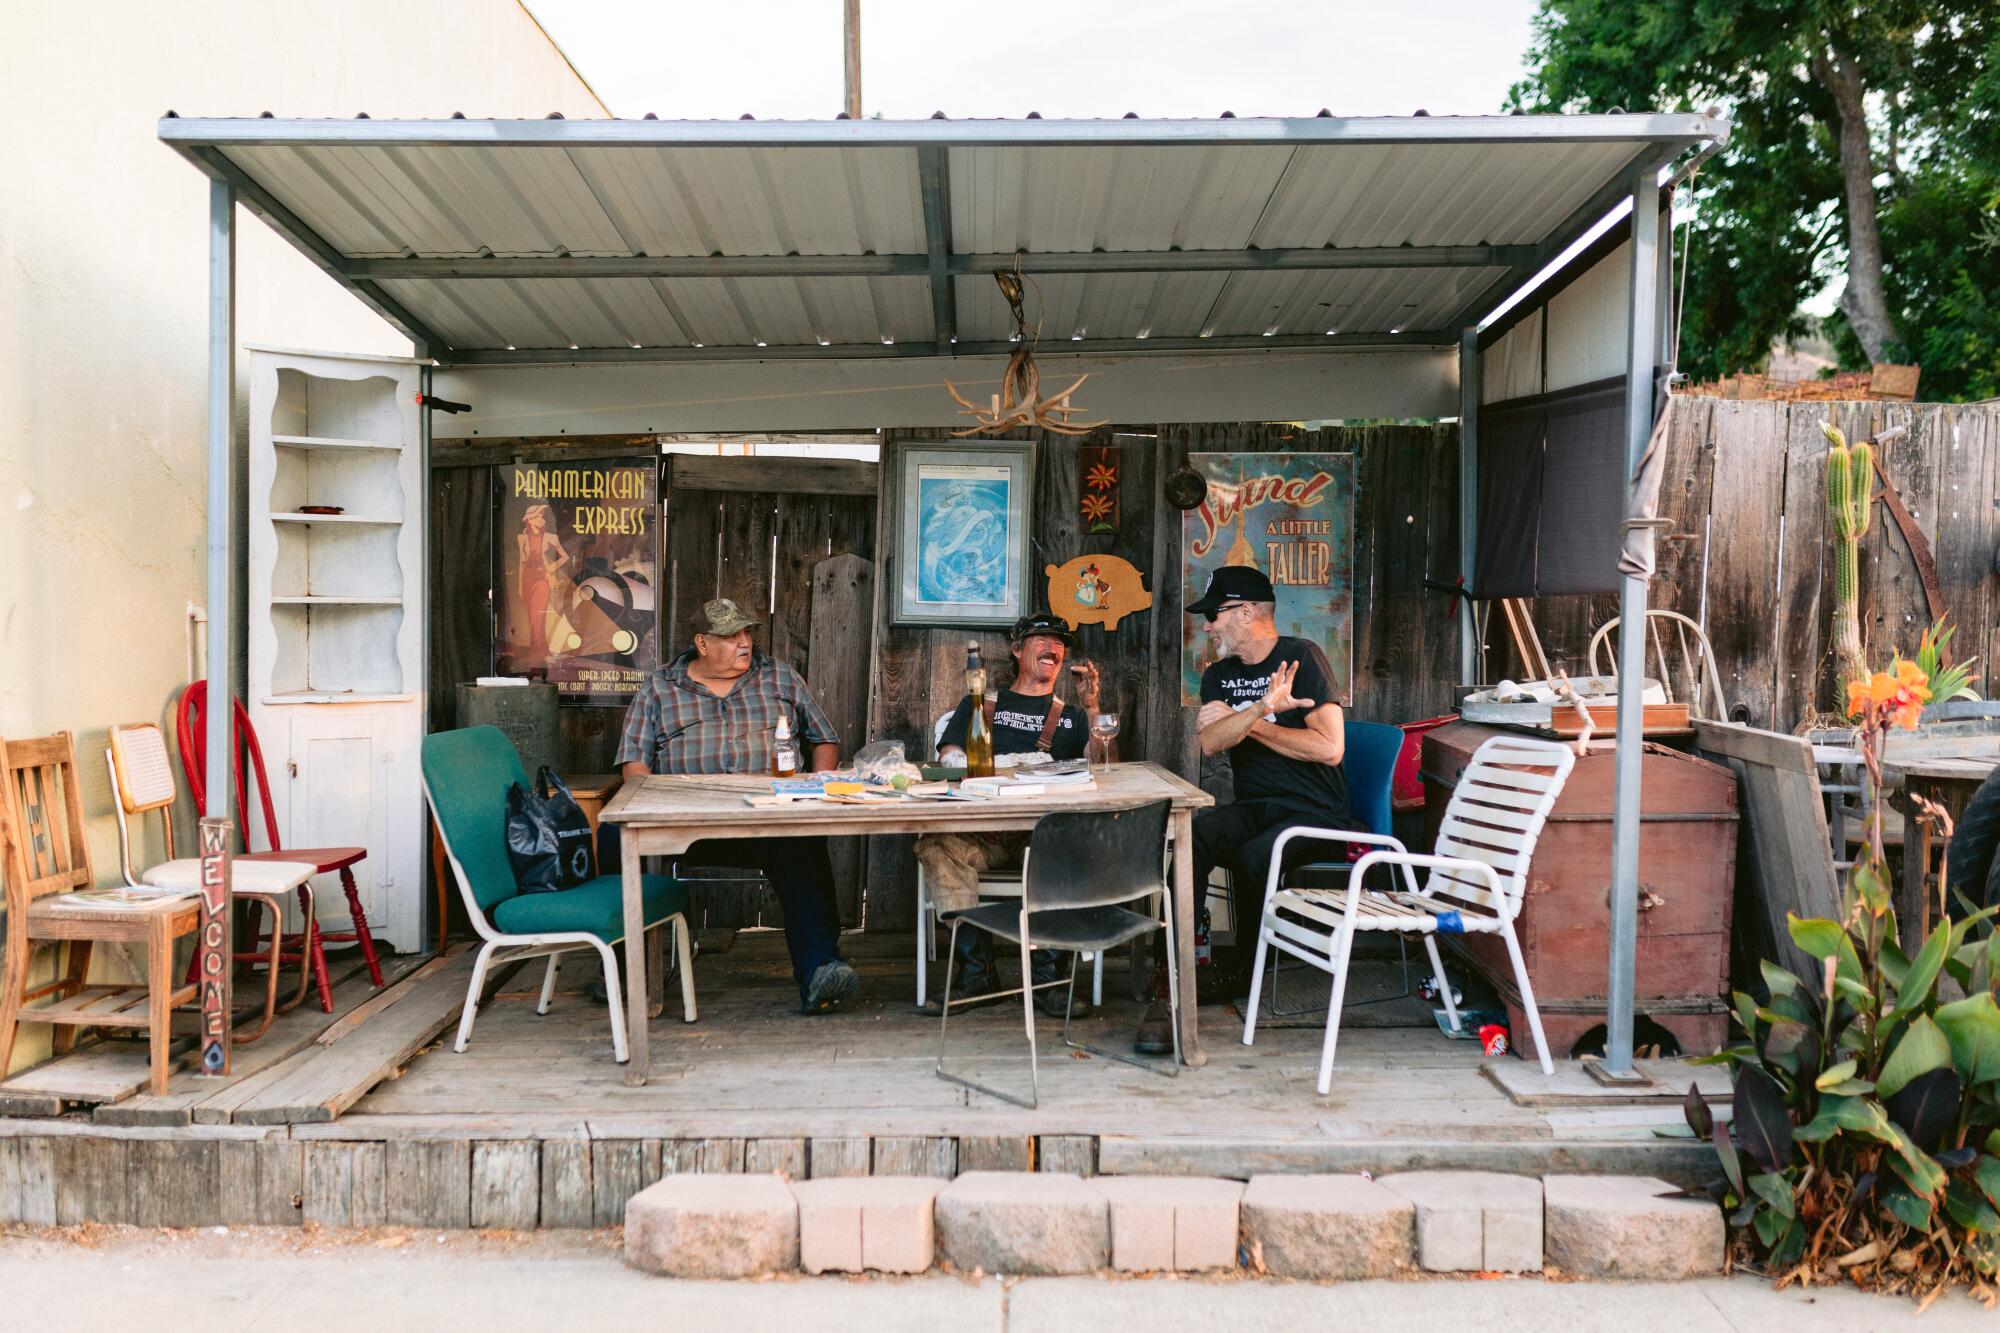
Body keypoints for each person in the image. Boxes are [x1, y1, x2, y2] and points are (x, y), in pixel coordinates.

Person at [1133, 566, 1349, 1054]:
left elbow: (1329, 748)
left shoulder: (1300, 658)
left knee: (1257, 856)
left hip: (1315, 810)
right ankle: (1173, 978)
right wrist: (1256, 711)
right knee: (1191, 840)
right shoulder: (1219, 675)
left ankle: (1252, 972)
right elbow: (1211, 742)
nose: (1207, 626)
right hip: (1256, 805)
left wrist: (1244, 722)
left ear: (1247, 612)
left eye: (1214, 614)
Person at [614, 597, 861, 1014]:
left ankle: (820, 969)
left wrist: (815, 788)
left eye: (747, 633)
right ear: (702, 644)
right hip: (689, 828)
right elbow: (635, 765)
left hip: (767, 820)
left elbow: (824, 739)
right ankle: (625, 971)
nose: (745, 643)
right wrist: (654, 808)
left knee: (803, 842)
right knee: (615, 841)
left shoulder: (779, 677)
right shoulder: (659, 687)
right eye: (731, 636)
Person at [915, 611, 1101, 1016]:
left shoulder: (1071, 716)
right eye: (1042, 639)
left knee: (1064, 844)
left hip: (1040, 833)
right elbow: (949, 758)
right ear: (1017, 650)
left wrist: (1092, 707)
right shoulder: (978, 704)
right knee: (936, 845)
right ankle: (977, 975)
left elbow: (1104, 770)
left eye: (1060, 642)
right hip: (983, 831)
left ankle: (1050, 980)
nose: (1054, 646)